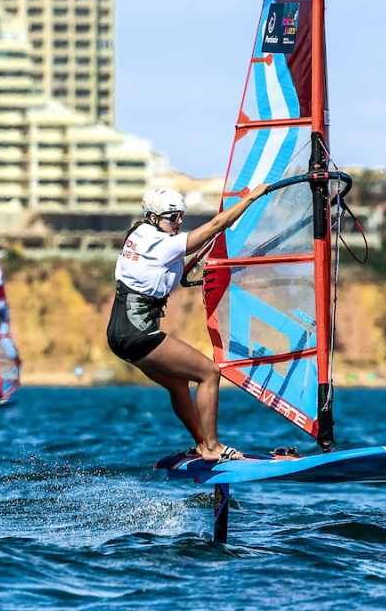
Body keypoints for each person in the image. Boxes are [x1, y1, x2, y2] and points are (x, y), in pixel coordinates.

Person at [106, 185, 268, 462]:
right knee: (209, 373)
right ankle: (213, 446)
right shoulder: (163, 243)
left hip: (119, 334)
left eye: (181, 216)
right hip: (139, 332)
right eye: (172, 217)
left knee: (178, 384)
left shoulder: (138, 234)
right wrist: (251, 197)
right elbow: (217, 225)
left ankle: (202, 444)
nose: (178, 222)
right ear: (154, 217)